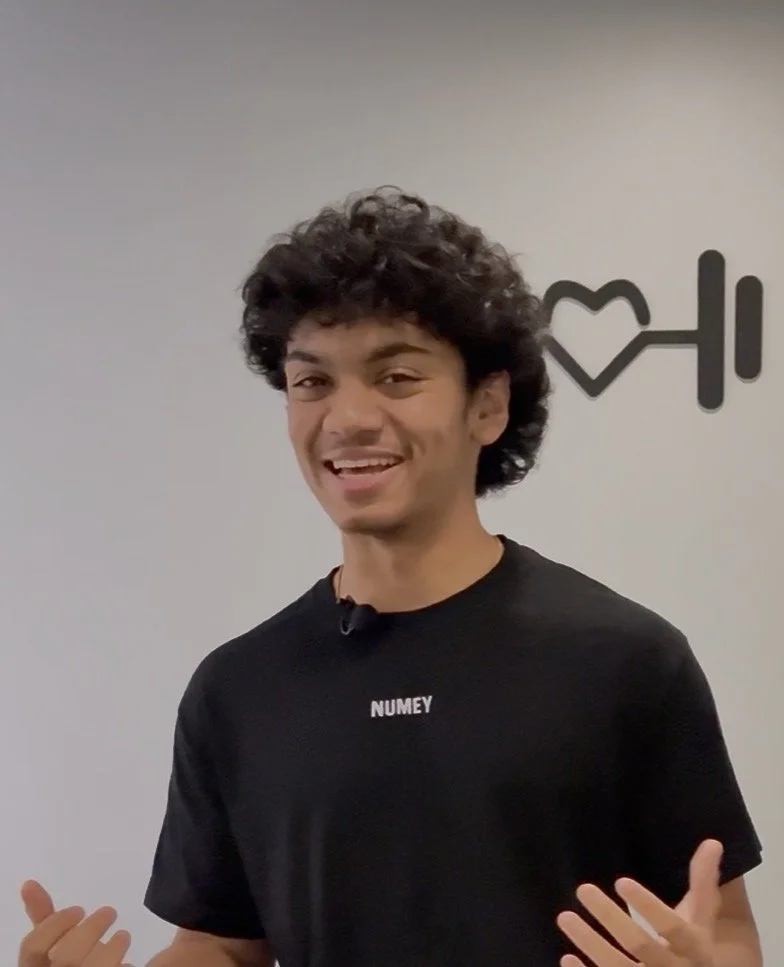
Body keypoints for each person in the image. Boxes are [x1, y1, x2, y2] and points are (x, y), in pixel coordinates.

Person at [18, 188, 764, 967]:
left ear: (488, 404)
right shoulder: (237, 688)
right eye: (312, 382)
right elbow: (221, 947)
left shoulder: (625, 659)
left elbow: (725, 933)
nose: (347, 418)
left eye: (397, 377)